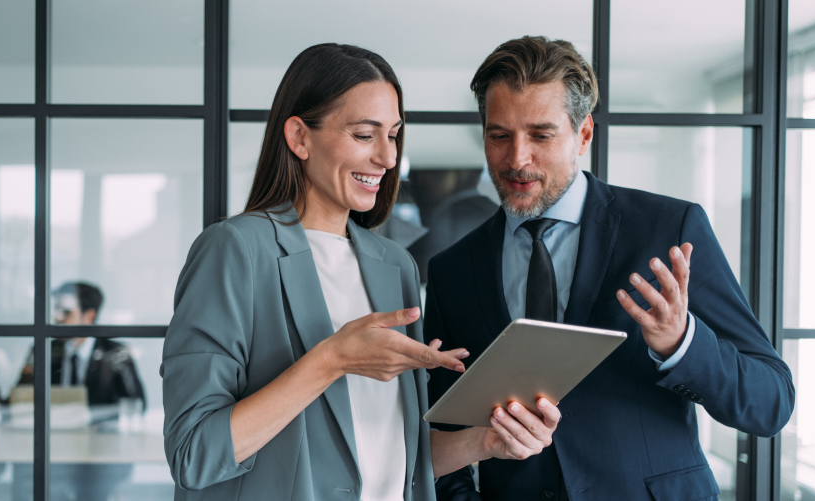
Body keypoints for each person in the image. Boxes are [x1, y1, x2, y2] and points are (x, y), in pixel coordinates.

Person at [162, 43, 561, 500]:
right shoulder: (234, 251)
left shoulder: (395, 265)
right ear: (299, 137)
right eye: (364, 135)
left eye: (393, 135)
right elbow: (194, 454)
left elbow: (395, 458)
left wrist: (484, 443)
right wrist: (332, 359)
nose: (388, 159)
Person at [425, 36, 795, 500]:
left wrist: (682, 343)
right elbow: (442, 427)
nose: (517, 159)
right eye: (499, 135)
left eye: (541, 135)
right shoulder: (451, 270)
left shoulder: (669, 228)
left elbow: (771, 403)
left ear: (583, 134)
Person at [13, 282, 146, 501]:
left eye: (66, 312)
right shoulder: (43, 348)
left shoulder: (115, 354)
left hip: (100, 453)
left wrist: (87, 416)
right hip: (52, 447)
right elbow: (19, 397)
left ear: (89, 316)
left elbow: (136, 405)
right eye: (56, 311)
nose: (58, 318)